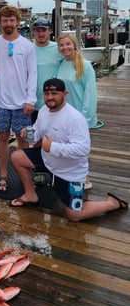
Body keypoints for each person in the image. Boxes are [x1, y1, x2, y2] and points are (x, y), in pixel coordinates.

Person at [10, 78, 128, 221]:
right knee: (16, 157)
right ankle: (30, 194)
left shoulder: (75, 118)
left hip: (70, 172)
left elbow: (83, 149)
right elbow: (37, 133)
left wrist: (52, 147)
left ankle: (112, 203)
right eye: (46, 93)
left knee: (75, 215)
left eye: (54, 93)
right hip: (48, 160)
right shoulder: (43, 110)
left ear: (64, 94)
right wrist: (29, 133)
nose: (50, 97)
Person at [0, 5, 37, 192]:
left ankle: (23, 174)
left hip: (22, 103)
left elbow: (32, 73)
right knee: (2, 137)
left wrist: (30, 99)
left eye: (12, 20)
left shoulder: (27, 45)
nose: (8, 23)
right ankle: (3, 174)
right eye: (5, 20)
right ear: (0, 23)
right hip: (1, 101)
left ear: (18, 22)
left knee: (23, 139)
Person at [56, 33, 98, 189]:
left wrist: (86, 118)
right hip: (64, 115)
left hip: (80, 115)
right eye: (62, 45)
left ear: (74, 45)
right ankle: (69, 177)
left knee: (80, 150)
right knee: (67, 148)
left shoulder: (85, 65)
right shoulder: (61, 64)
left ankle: (85, 178)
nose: (65, 47)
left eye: (68, 44)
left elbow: (90, 93)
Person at [32, 17, 63, 124]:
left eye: (44, 30)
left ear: (50, 31)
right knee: (34, 138)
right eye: (38, 30)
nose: (41, 34)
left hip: (53, 102)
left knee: (53, 137)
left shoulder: (59, 48)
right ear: (33, 32)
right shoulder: (28, 49)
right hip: (32, 103)